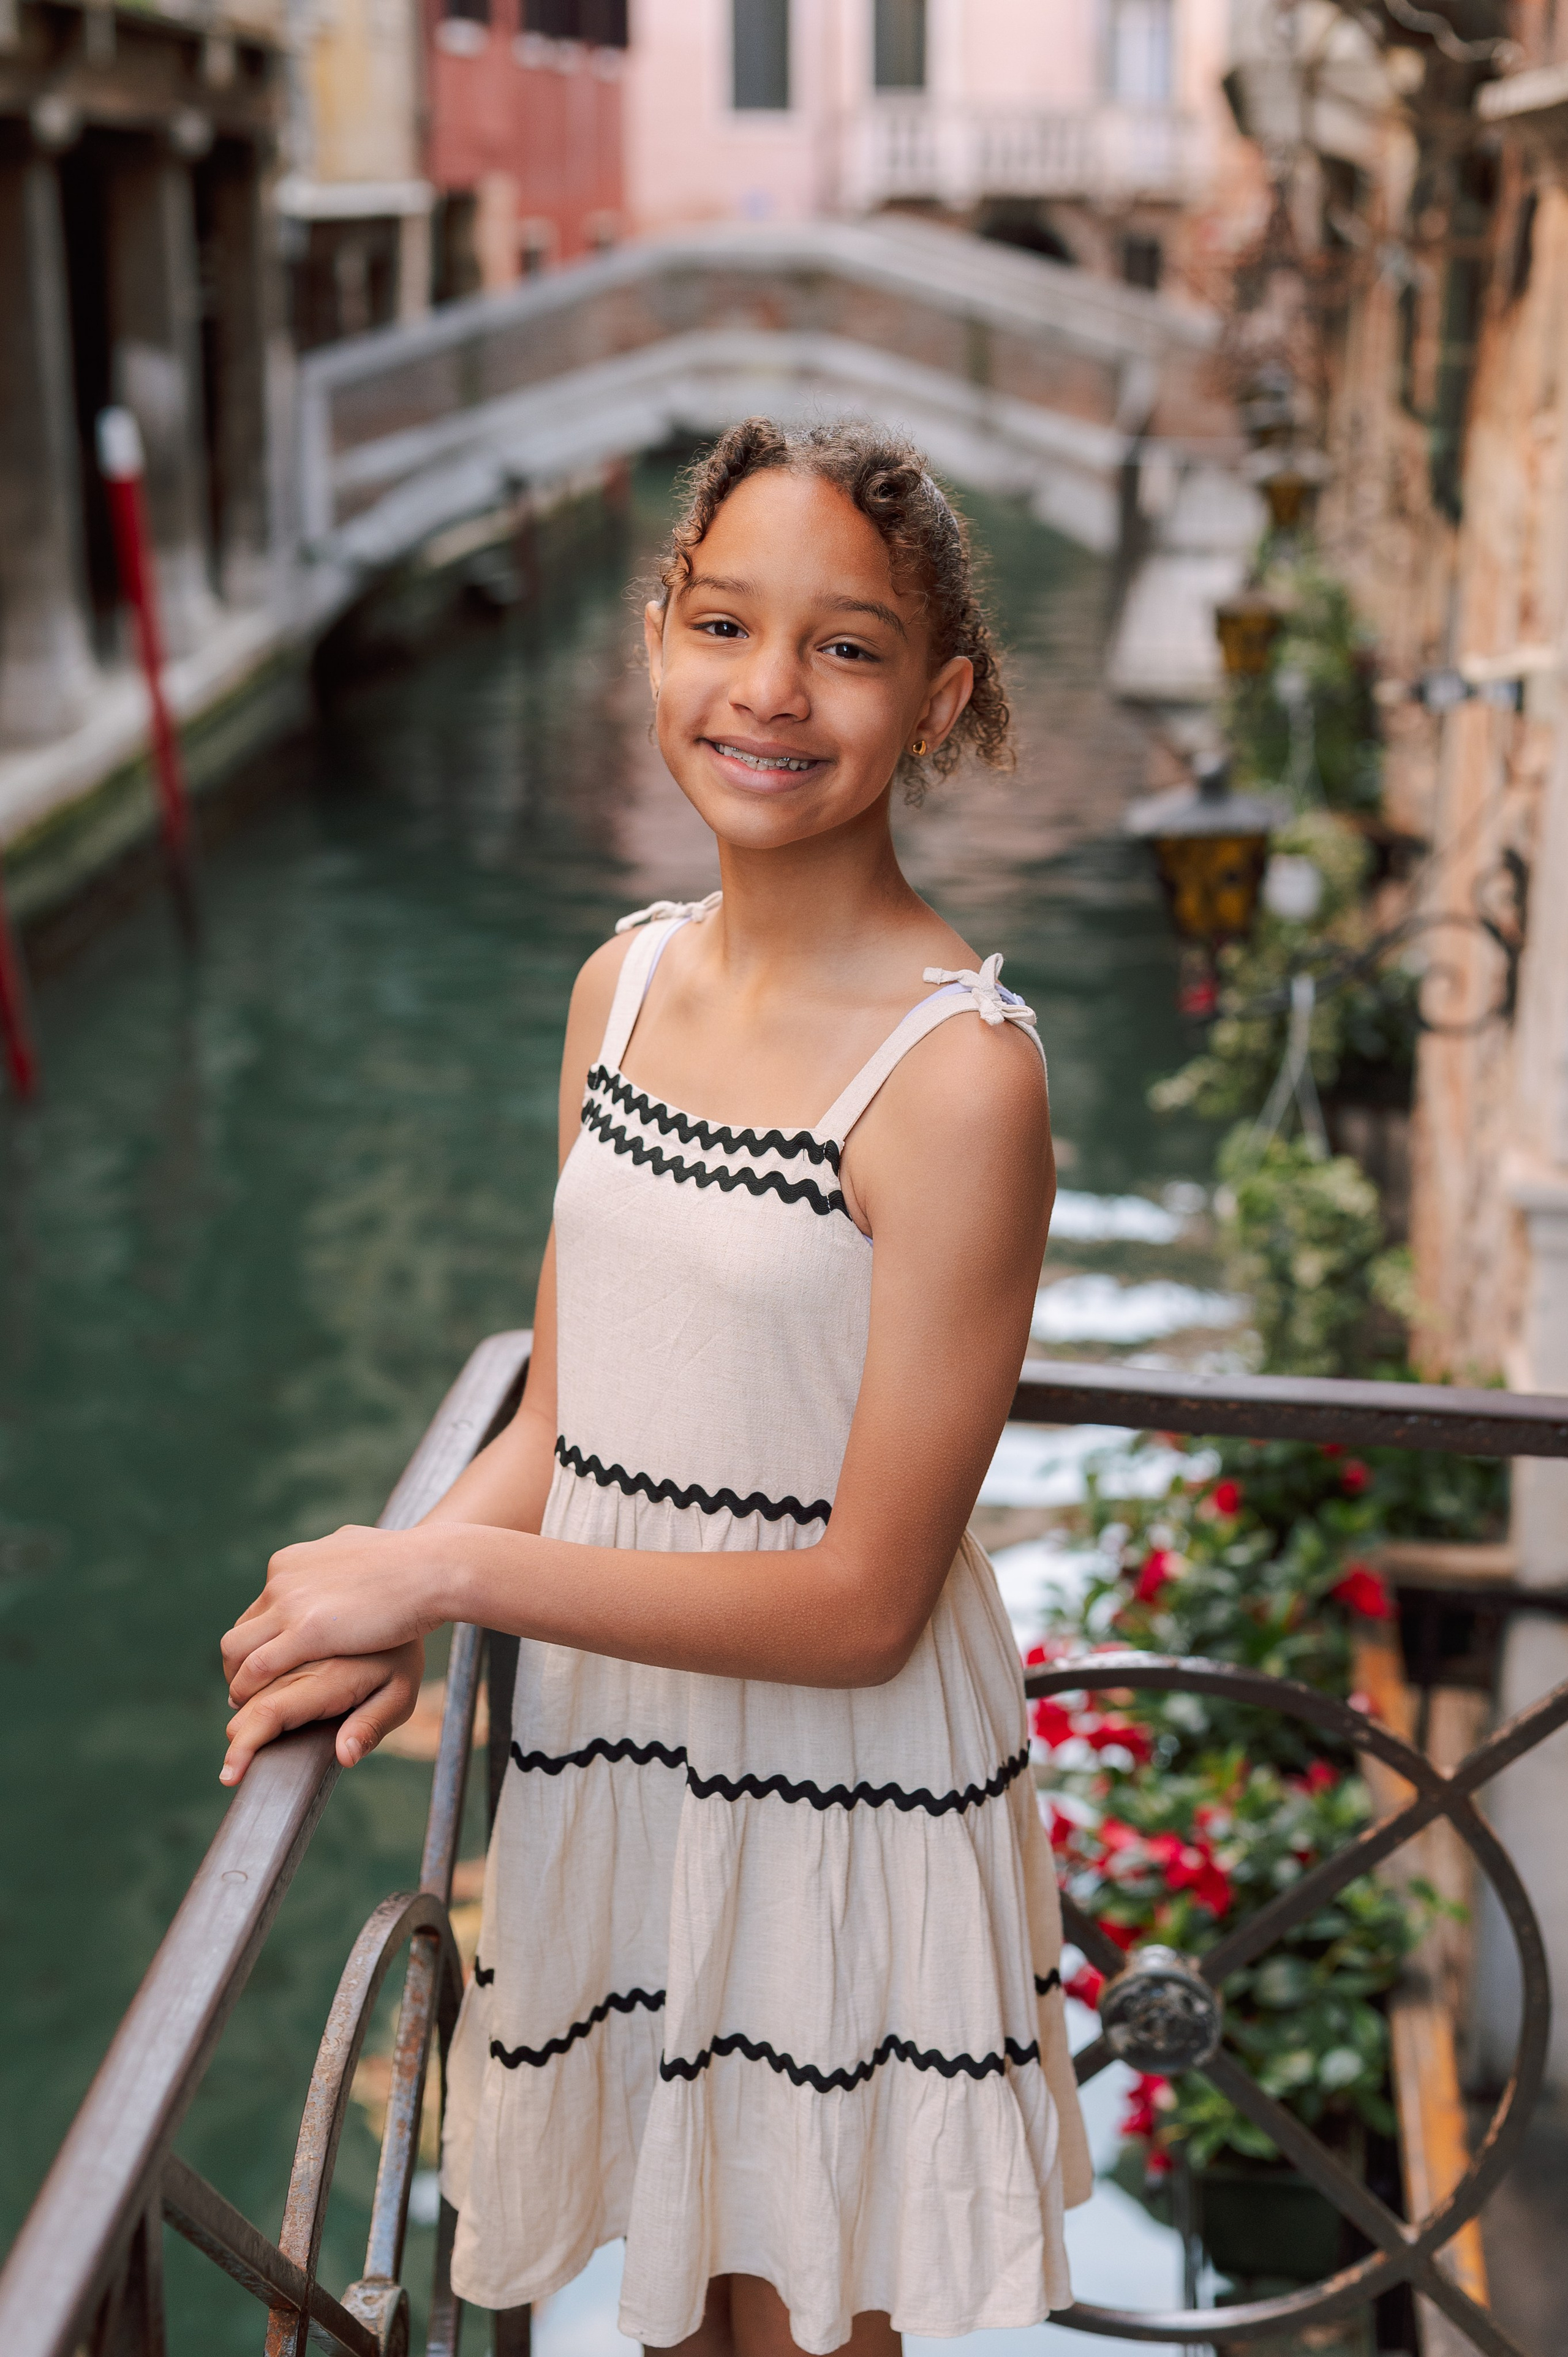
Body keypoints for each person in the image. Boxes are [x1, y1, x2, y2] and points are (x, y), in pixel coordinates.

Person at [220, 418, 1091, 2355]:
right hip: (628, 1762)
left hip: (837, 1789)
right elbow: (563, 1422)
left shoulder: (961, 1076)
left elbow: (867, 1604)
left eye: (850, 649)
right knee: (678, 2319)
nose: (769, 693)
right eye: (724, 622)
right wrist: (379, 1574)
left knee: (792, 2331)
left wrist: (439, 1588)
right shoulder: (618, 985)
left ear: (940, 699)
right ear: (656, 637)